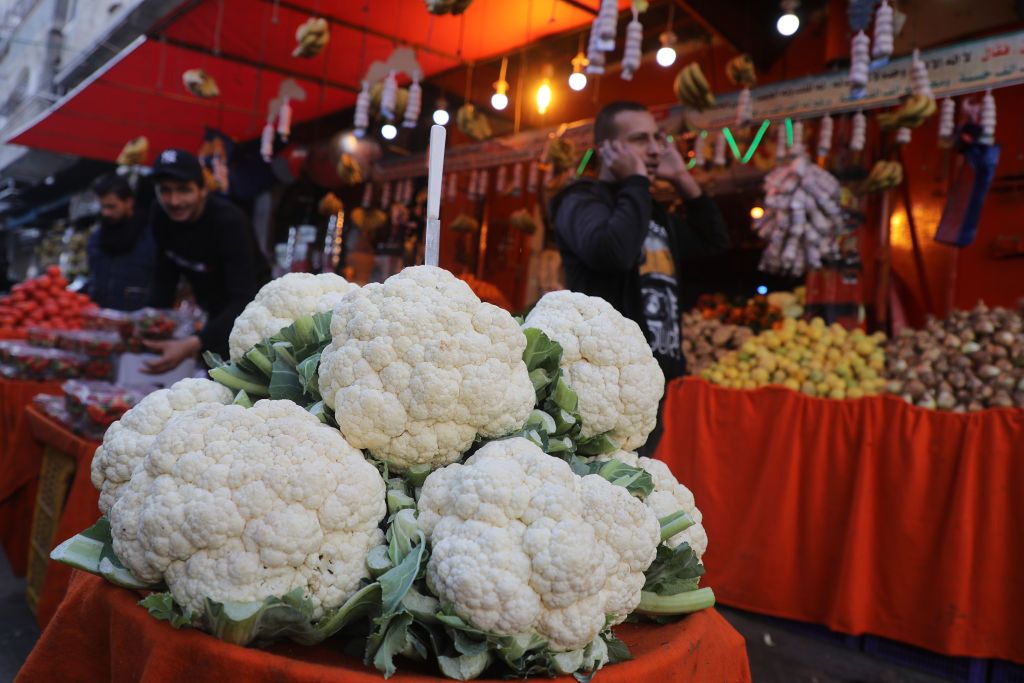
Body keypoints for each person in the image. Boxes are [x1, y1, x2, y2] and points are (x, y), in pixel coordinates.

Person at [550, 101, 730, 454]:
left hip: (651, 381)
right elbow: (611, 251)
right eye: (639, 139)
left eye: (657, 137)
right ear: (608, 149)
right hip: (601, 381)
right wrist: (636, 182)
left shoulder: (651, 211)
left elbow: (715, 242)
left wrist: (682, 179)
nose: (653, 148)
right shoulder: (580, 201)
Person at [143, 148, 268, 373]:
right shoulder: (160, 215)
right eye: (165, 191)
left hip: (251, 314)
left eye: (184, 190)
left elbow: (243, 299)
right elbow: (164, 276)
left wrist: (192, 344)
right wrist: (151, 325)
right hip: (211, 311)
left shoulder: (229, 223)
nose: (174, 201)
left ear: (202, 189)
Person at [86, 174, 155, 310]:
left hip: (137, 321)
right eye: (102, 207)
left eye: (111, 207)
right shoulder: (96, 238)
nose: (105, 213)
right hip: (100, 319)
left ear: (129, 202)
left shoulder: (149, 237)